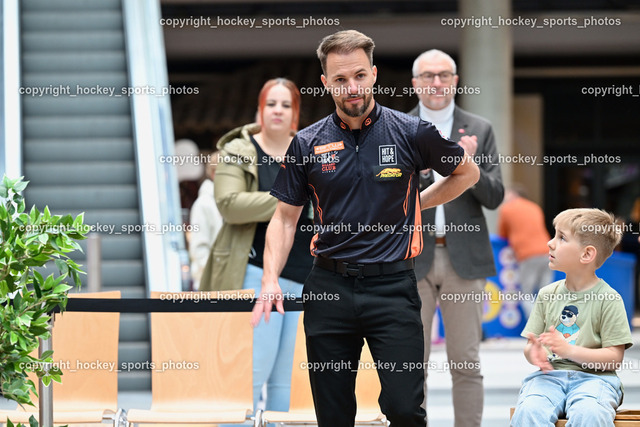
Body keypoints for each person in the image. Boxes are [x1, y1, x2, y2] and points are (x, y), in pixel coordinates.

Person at [251, 30, 480, 427]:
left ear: (373, 74)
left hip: (393, 287)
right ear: (325, 83)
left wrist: (417, 204)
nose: (352, 87)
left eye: (359, 75)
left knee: (405, 409)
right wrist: (270, 278)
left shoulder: (411, 132)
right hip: (329, 287)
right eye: (340, 79)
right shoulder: (306, 143)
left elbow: (467, 173)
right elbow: (285, 218)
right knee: (333, 414)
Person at [199, 78, 314, 415]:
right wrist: (292, 199)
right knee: (250, 370)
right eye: (271, 104)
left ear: (295, 114)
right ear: (259, 110)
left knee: (289, 379)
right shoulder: (238, 150)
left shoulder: (311, 149)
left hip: (306, 275)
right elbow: (229, 204)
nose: (278, 110)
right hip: (254, 273)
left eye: (286, 105)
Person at [408, 49, 504, 427]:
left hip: (463, 260)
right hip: (411, 257)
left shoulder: (479, 128)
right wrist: (427, 171)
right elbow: (386, 194)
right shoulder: (399, 127)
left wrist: (468, 166)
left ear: (456, 81)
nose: (436, 83)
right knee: (411, 363)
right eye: (428, 76)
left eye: (444, 75)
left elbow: (495, 196)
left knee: (465, 361)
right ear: (415, 83)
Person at [511, 208, 633, 426]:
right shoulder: (547, 294)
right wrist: (534, 353)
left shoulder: (610, 299)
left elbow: (614, 358)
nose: (550, 243)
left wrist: (569, 351)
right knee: (529, 410)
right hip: (549, 378)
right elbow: (531, 346)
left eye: (562, 238)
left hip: (596, 380)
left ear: (586, 254)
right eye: (554, 235)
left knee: (590, 413)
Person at [498, 184, 553, 317]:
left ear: (514, 194)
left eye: (507, 194)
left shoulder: (507, 209)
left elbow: (502, 234)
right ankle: (549, 324)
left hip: (527, 254)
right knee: (545, 294)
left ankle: (537, 326)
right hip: (548, 252)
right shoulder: (534, 207)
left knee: (526, 294)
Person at [188, 152, 223, 290]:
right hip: (210, 286)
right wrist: (217, 277)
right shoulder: (203, 204)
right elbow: (199, 248)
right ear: (214, 174)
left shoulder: (226, 202)